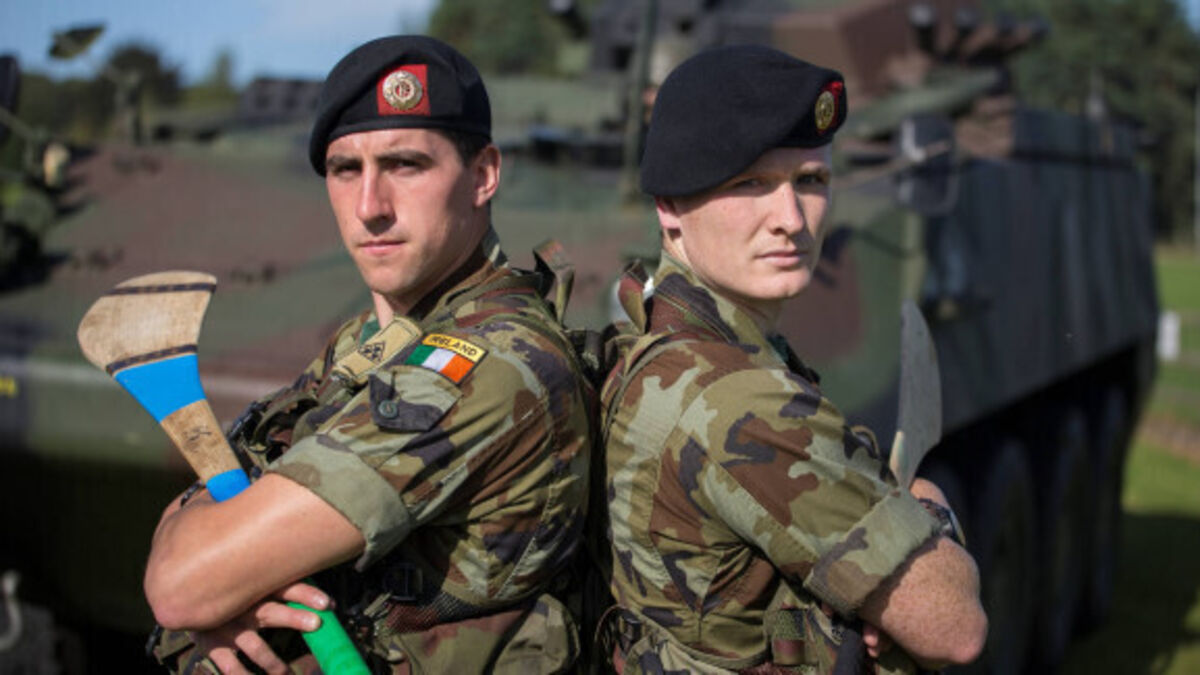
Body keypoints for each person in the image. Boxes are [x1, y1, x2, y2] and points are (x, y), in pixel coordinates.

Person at [144, 35, 591, 674]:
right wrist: (220, 571)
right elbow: (216, 506)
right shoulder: (372, 341)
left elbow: (180, 586)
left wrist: (219, 575)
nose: (368, 208)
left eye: (405, 165)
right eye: (345, 170)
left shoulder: (485, 365)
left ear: (483, 175)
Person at [599, 45, 987, 673]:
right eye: (749, 183)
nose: (791, 219)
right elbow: (954, 628)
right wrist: (929, 505)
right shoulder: (741, 403)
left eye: (810, 181)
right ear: (669, 207)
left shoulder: (657, 340)